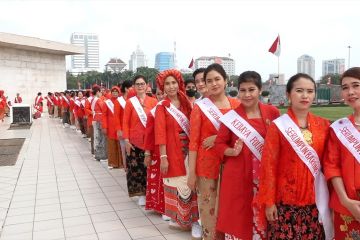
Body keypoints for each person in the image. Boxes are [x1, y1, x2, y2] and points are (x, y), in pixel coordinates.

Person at [257, 73, 333, 239]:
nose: (305, 95)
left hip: (316, 200)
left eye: (310, 91)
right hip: (284, 202)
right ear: (288, 94)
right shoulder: (278, 127)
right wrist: (269, 202)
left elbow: (329, 163)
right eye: (299, 90)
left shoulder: (324, 125)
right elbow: (269, 166)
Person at [214, 71, 279, 240]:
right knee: (238, 218)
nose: (247, 94)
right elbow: (219, 145)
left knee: (263, 219)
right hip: (238, 176)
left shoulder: (273, 113)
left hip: (265, 178)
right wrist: (232, 151)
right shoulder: (231, 117)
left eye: (251, 89)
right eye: (243, 90)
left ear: (260, 90)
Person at [187, 63, 240, 240]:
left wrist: (217, 138)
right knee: (209, 211)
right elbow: (193, 143)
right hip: (206, 167)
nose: (214, 83)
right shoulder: (199, 108)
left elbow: (241, 137)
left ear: (226, 81)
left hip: (232, 166)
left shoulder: (237, 105)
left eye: (217, 79)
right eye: (209, 81)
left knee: (230, 210)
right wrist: (191, 174)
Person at [154, 69, 201, 239]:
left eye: (174, 83)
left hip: (191, 151)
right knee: (179, 184)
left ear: (179, 83)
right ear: (162, 86)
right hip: (173, 152)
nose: (171, 86)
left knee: (192, 184)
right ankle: (184, 220)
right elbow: (160, 134)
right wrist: (163, 157)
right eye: (167, 84)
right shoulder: (161, 107)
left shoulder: (186, 102)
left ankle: (196, 220)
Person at [324, 67, 360, 239]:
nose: (350, 92)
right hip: (346, 206)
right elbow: (332, 167)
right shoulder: (339, 129)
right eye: (345, 88)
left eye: (356, 85)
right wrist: (345, 200)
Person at [123, 75, 157, 205]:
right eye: (137, 84)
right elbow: (125, 123)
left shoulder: (153, 101)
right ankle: (141, 193)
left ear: (147, 85)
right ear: (134, 86)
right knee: (137, 169)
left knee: (149, 168)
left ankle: (150, 192)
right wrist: (126, 139)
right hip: (134, 141)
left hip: (149, 140)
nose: (140, 86)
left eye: (142, 84)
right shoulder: (130, 102)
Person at [144, 87, 167, 218]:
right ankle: (160, 207)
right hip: (157, 151)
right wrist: (147, 153)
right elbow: (148, 135)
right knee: (158, 180)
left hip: (172, 149)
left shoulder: (175, 108)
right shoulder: (153, 112)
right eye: (158, 94)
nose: (161, 96)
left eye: (162, 93)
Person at [102, 86, 123, 169]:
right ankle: (113, 163)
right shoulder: (107, 102)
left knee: (120, 144)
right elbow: (104, 116)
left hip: (119, 126)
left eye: (116, 92)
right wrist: (104, 126)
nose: (115, 93)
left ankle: (121, 163)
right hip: (110, 127)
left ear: (119, 93)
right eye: (113, 92)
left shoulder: (122, 102)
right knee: (112, 145)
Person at [91, 85, 107, 161]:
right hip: (100, 119)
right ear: (97, 92)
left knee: (97, 137)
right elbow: (104, 108)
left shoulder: (93, 99)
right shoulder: (99, 100)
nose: (101, 93)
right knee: (101, 137)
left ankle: (96, 153)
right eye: (100, 92)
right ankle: (101, 155)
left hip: (95, 118)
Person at [118, 80, 132, 164]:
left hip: (132, 129)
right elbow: (116, 117)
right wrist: (119, 130)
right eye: (131, 87)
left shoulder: (134, 100)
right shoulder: (119, 101)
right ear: (126, 89)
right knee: (124, 150)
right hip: (123, 129)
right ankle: (126, 167)